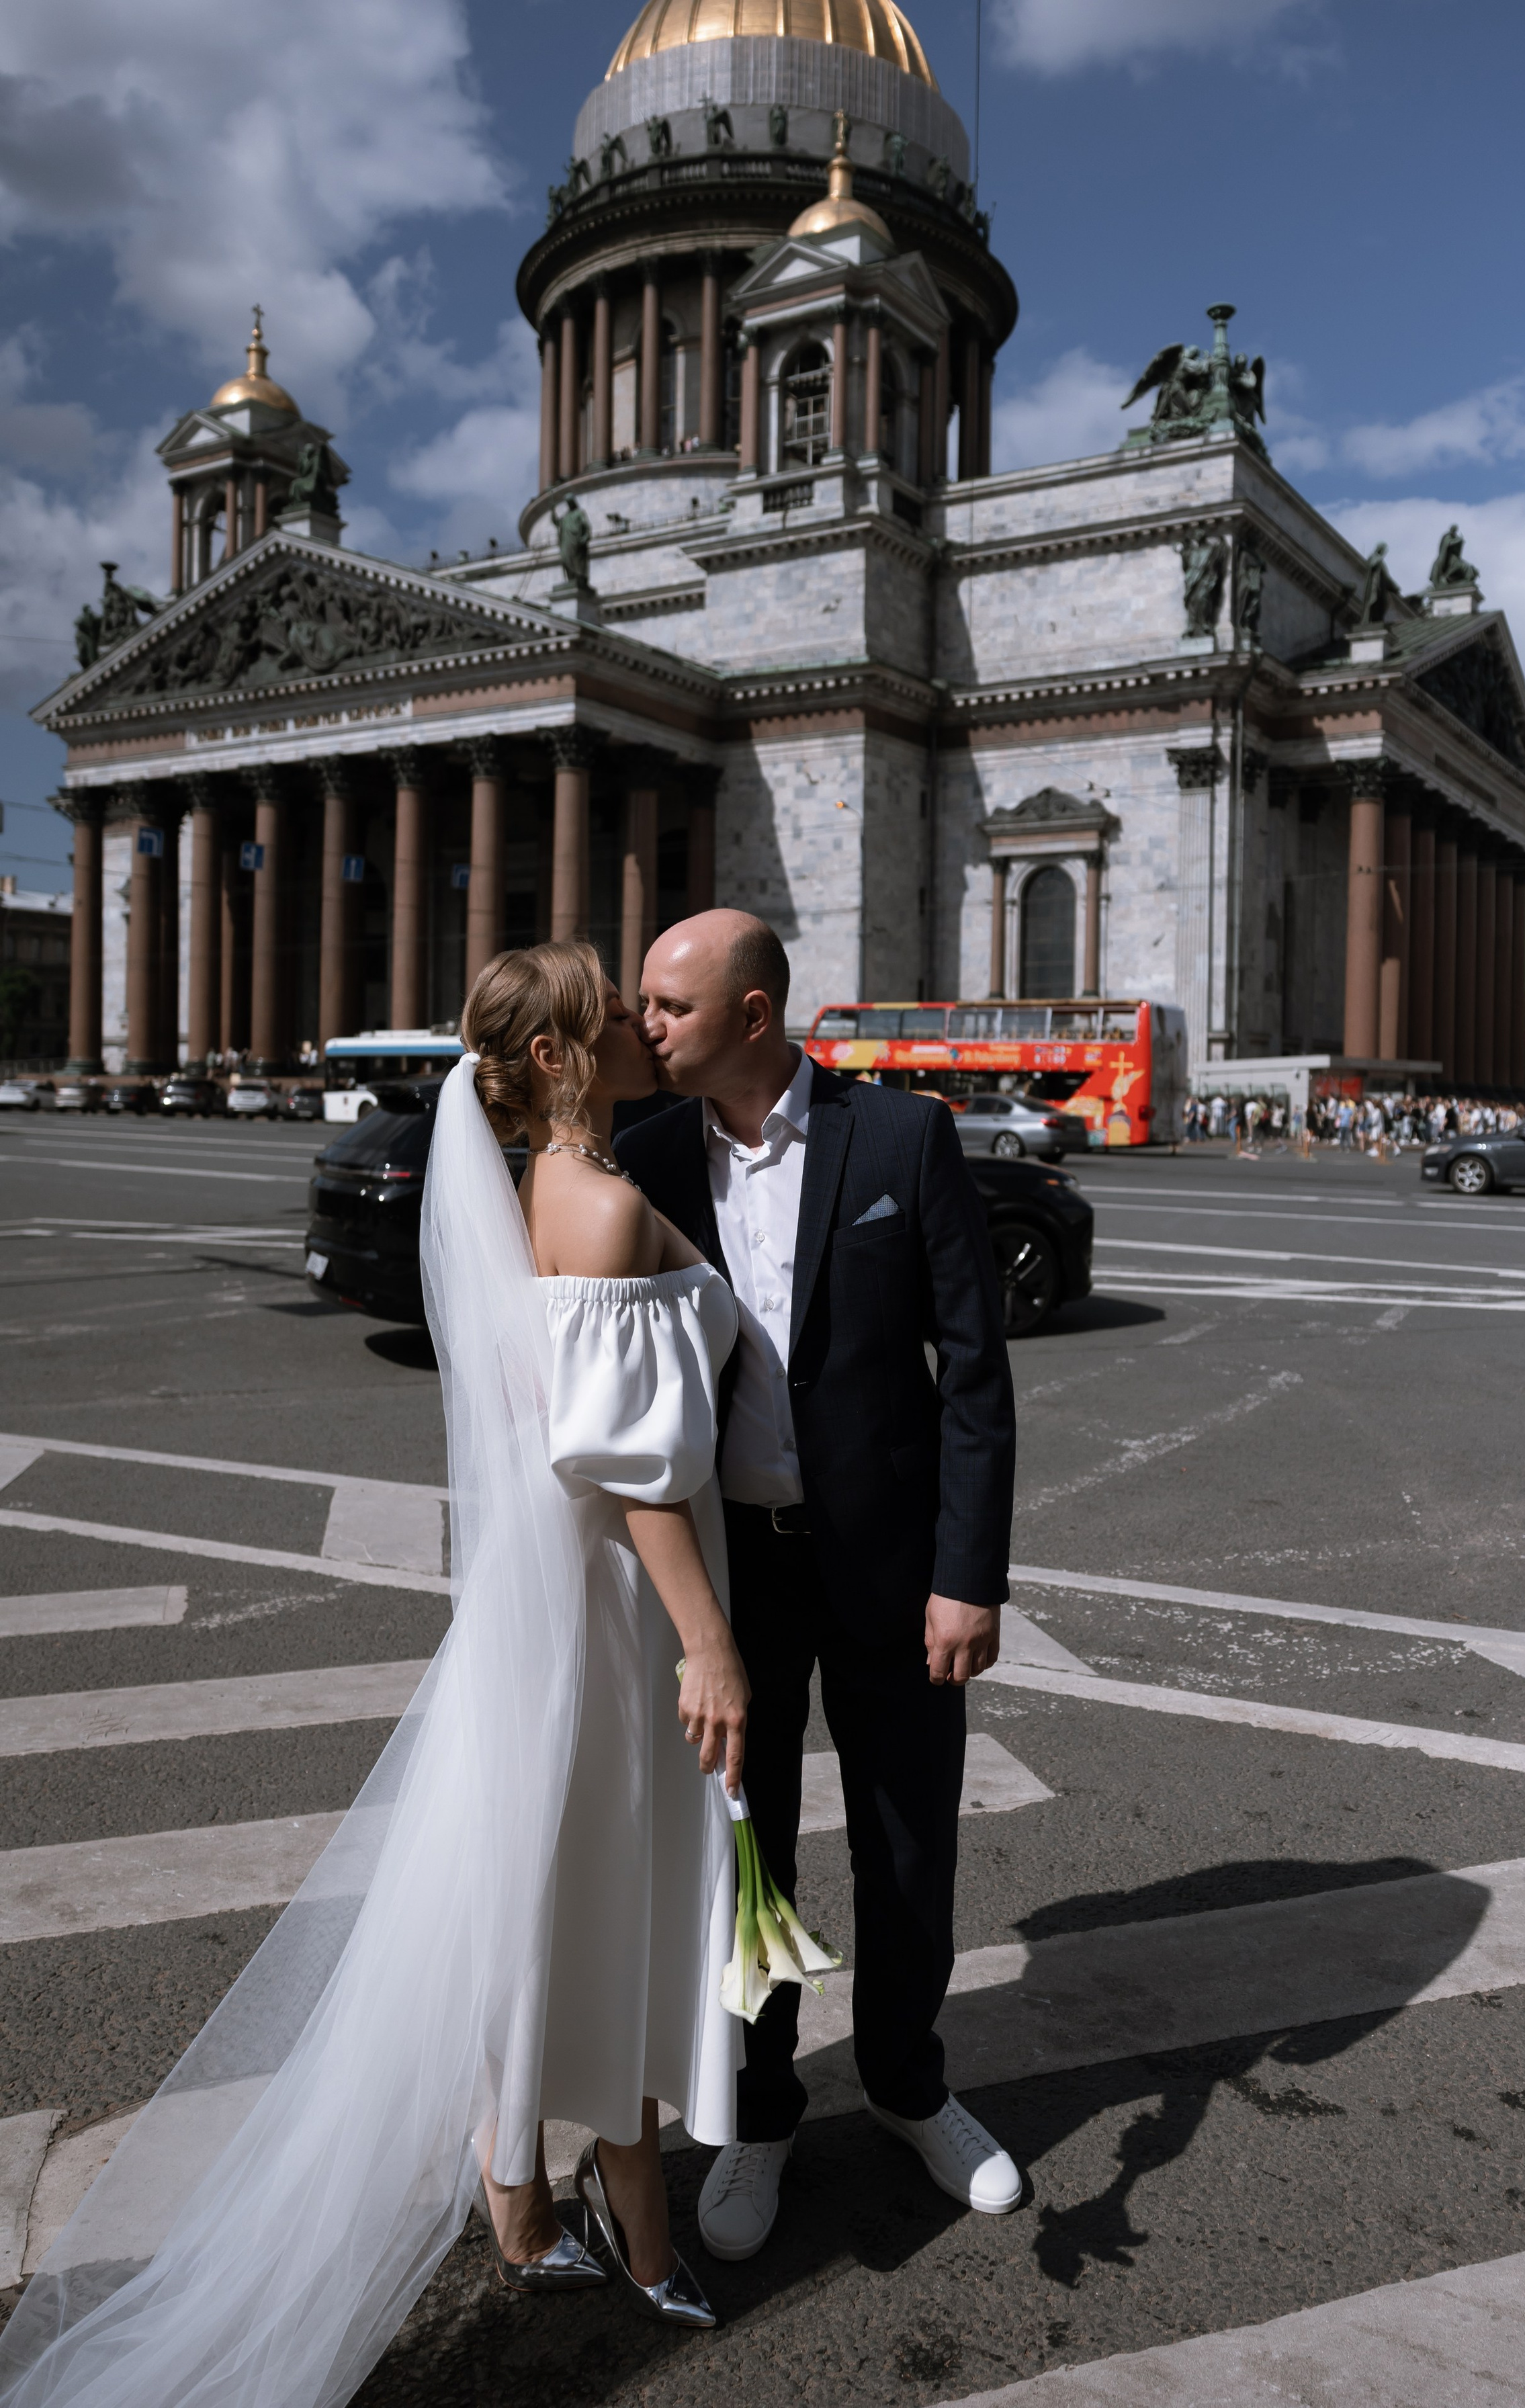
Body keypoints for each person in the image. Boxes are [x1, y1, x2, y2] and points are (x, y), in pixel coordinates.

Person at [0, 942, 747, 2404]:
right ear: (553, 1062)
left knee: (544, 1892)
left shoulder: (539, 1194)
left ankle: (521, 2202)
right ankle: (637, 2233)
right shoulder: (592, 1204)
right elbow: (627, 1464)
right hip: (615, 1612)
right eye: (612, 1015)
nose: (637, 1030)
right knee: (605, 1897)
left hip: (561, 1609)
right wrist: (709, 1637)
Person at [621, 910, 1021, 2265]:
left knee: (908, 1842)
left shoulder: (901, 1140)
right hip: (733, 1582)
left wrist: (967, 1578)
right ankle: (761, 2112)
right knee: (747, 1859)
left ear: (752, 1013)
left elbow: (971, 1371)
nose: (647, 1025)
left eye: (669, 1005)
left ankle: (912, 2087)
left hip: (894, 1572)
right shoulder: (644, 1159)